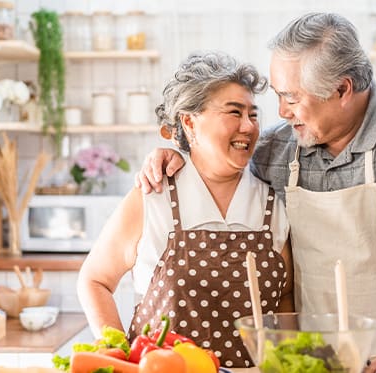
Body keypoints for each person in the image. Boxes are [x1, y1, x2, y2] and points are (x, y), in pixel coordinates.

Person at [135, 12, 376, 373]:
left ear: (342, 89)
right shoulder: (278, 147)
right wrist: (175, 154)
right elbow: (217, 155)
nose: (281, 112)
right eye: (278, 96)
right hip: (313, 356)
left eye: (291, 98)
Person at [77, 51, 294, 369]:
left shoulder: (271, 202)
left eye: (253, 114)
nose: (248, 126)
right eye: (234, 113)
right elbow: (94, 280)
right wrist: (121, 357)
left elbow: (284, 297)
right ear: (190, 122)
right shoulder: (154, 194)